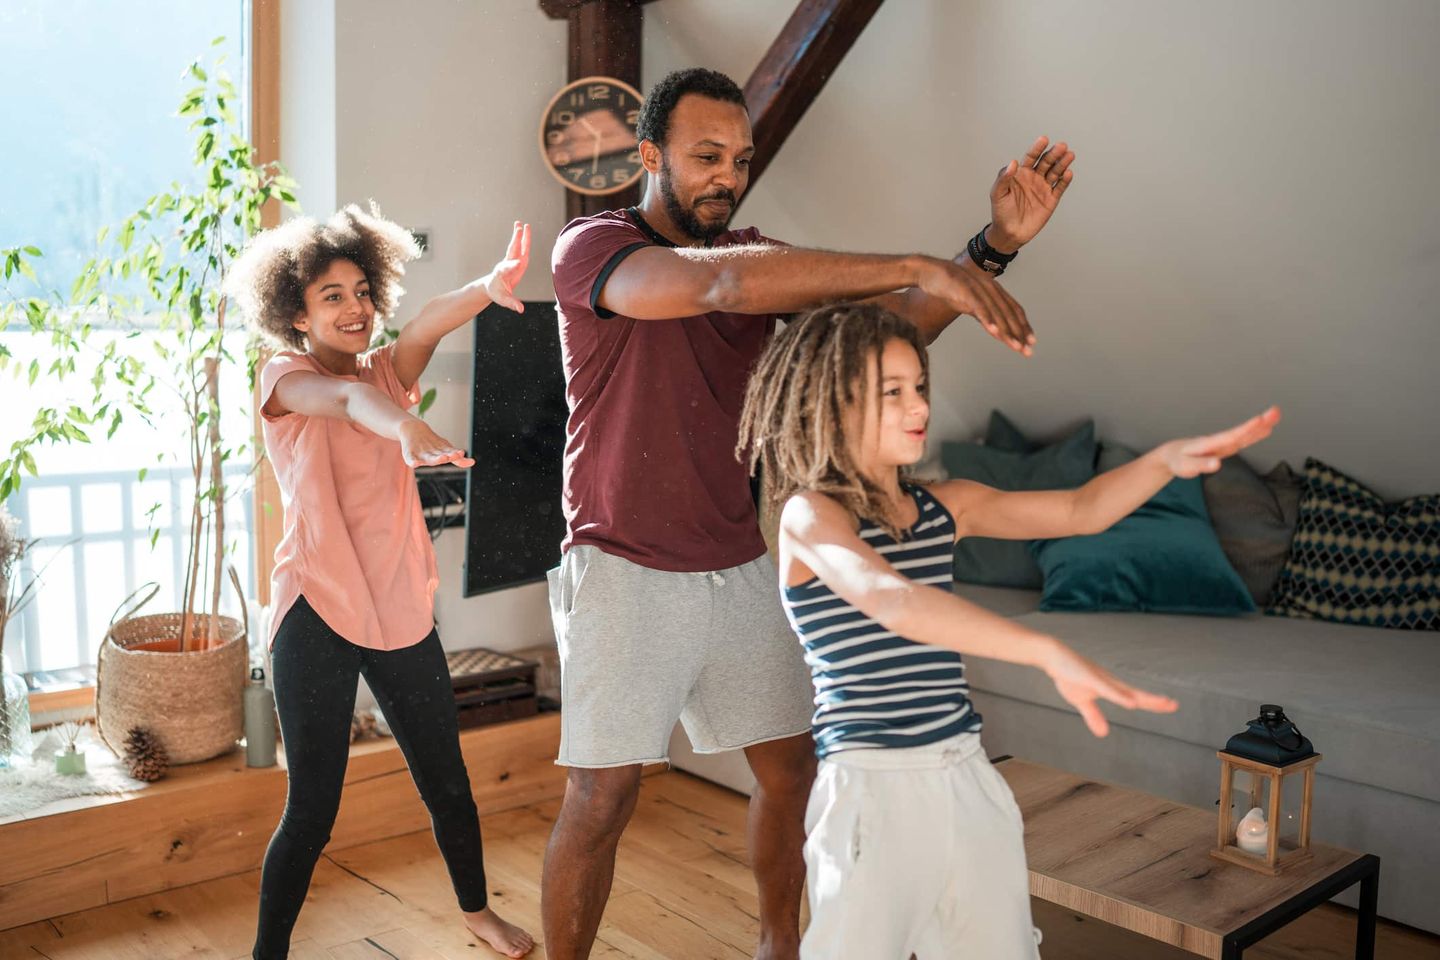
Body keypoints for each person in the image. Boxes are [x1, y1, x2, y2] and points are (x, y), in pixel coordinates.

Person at [544, 65, 1076, 960]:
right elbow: (714, 289)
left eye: (741, 159)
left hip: (741, 563)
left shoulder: (756, 253)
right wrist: (916, 261)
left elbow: (895, 324)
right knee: (603, 798)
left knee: (790, 773)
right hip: (623, 564)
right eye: (706, 155)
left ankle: (778, 946)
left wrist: (987, 249)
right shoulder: (593, 247)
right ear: (648, 156)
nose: (728, 174)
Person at [737, 302, 1281, 958]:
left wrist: (1166, 461)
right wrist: (1043, 648)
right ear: (834, 402)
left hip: (967, 777)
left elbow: (1082, 510)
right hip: (871, 790)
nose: (918, 407)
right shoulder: (809, 515)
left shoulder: (947, 505)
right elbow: (892, 598)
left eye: (920, 388)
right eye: (893, 392)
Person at [226, 205, 536, 959]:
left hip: (398, 607)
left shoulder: (387, 373)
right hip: (316, 608)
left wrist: (486, 288)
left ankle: (475, 914)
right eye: (331, 295)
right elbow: (342, 402)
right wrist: (404, 428)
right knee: (312, 811)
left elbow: (426, 325)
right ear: (295, 315)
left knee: (448, 784)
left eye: (363, 291)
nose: (355, 307)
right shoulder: (284, 379)